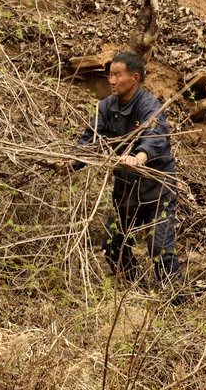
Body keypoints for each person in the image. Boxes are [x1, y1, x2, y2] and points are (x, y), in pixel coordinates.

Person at [60, 51, 183, 299]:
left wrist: (138, 157)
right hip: (126, 189)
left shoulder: (149, 105)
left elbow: (155, 138)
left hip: (156, 189)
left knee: (158, 247)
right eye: (110, 75)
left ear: (134, 78)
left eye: (118, 75)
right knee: (112, 246)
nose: (112, 80)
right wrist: (69, 163)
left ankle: (176, 298)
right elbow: (90, 140)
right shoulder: (106, 106)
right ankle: (138, 290)